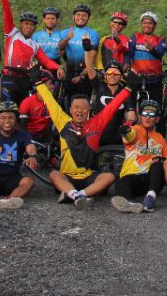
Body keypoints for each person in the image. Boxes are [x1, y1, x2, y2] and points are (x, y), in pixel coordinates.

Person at [34, 69, 129, 208]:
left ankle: (78, 195)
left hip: (89, 177)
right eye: (76, 108)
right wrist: (37, 82)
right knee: (54, 174)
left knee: (109, 176)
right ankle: (75, 194)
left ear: (89, 110)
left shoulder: (96, 123)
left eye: (83, 108)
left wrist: (129, 88)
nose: (79, 111)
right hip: (68, 177)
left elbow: (113, 106)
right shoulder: (63, 122)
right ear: (71, 110)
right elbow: (50, 101)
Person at [0, 0, 65, 104]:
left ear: (35, 27)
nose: (28, 27)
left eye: (32, 25)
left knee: (23, 111)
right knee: (7, 110)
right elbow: (7, 14)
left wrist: (58, 67)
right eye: (26, 24)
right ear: (21, 24)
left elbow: (45, 60)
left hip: (25, 79)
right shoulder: (12, 33)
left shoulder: (34, 45)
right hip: (9, 77)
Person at [111, 100, 167, 213]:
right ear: (139, 116)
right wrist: (125, 131)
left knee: (160, 161)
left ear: (157, 119)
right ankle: (129, 203)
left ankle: (150, 198)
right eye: (145, 114)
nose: (148, 117)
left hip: (151, 180)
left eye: (152, 115)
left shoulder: (160, 137)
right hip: (132, 177)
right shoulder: (136, 129)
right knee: (120, 179)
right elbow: (130, 135)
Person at [128, 12, 167, 104]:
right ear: (141, 24)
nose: (147, 25)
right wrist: (126, 65)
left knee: (156, 106)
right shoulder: (135, 37)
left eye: (150, 23)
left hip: (154, 79)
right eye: (144, 23)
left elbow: (160, 54)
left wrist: (152, 49)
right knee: (130, 105)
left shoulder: (159, 40)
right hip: (136, 77)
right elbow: (129, 54)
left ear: (155, 25)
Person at [58, 4, 99, 102]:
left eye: (84, 15)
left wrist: (82, 75)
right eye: (78, 15)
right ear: (73, 17)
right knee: (68, 103)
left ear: (88, 18)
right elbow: (59, 49)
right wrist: (67, 38)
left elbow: (92, 57)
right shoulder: (65, 32)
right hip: (69, 72)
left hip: (85, 73)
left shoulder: (93, 34)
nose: (81, 17)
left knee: (84, 102)